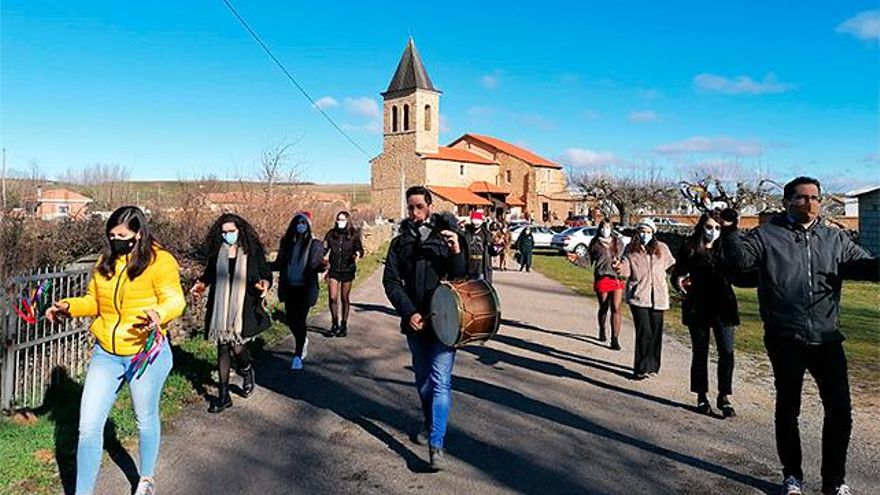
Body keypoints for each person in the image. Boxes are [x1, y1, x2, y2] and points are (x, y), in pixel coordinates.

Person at [720, 176, 879, 495]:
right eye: (803, 198)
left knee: (840, 411)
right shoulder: (766, 235)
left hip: (828, 337)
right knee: (788, 408)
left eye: (816, 198)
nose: (811, 203)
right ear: (787, 202)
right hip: (785, 336)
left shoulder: (835, 239)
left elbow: (867, 268)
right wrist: (729, 231)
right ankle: (792, 475)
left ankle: (834, 480)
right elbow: (739, 265)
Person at [44, 206, 185, 495]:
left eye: (123, 235)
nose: (116, 240)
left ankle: (145, 478)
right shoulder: (105, 261)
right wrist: (68, 307)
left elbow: (174, 299)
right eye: (112, 235)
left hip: (145, 353)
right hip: (106, 354)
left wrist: (159, 314)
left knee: (144, 418)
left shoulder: (161, 262)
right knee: (88, 427)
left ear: (138, 234)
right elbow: (93, 302)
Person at [382, 185, 466, 471]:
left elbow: (462, 279)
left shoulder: (448, 238)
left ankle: (436, 444)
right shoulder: (400, 242)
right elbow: (390, 282)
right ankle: (431, 424)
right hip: (415, 322)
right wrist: (408, 312)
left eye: (419, 206)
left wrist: (456, 250)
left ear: (430, 206)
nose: (415, 212)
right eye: (411, 207)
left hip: (446, 321)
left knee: (441, 379)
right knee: (423, 380)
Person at [190, 214, 272, 413]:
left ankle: (246, 371)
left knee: (237, 347)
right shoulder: (217, 252)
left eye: (231, 231)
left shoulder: (252, 251)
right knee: (223, 347)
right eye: (224, 232)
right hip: (220, 306)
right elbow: (209, 275)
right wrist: (200, 285)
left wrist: (264, 284)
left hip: (244, 305)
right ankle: (224, 396)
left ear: (240, 231)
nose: (227, 235)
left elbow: (265, 273)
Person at [672, 213, 738, 417]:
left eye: (717, 228)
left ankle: (724, 396)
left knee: (726, 352)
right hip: (698, 306)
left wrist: (730, 229)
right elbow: (677, 274)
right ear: (701, 227)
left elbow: (739, 266)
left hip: (723, 305)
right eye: (709, 227)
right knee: (700, 352)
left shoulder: (724, 248)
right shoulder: (690, 248)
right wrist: (680, 284)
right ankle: (701, 395)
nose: (713, 232)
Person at [613, 218, 675, 380]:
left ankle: (653, 365)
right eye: (642, 231)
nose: (645, 235)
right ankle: (640, 367)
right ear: (637, 233)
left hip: (659, 297)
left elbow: (671, 266)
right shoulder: (631, 250)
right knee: (644, 331)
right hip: (639, 296)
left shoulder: (662, 248)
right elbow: (625, 270)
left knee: (656, 332)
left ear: (653, 233)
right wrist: (618, 267)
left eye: (648, 232)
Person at [274, 211, 327, 371]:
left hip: (305, 289)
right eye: (298, 223)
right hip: (289, 288)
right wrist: (260, 266)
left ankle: (297, 355)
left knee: (300, 320)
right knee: (291, 320)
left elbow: (316, 263)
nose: (300, 226)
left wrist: (322, 266)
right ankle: (302, 340)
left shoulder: (315, 244)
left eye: (304, 223)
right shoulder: (287, 243)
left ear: (308, 226)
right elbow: (279, 264)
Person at [323, 211, 364, 337]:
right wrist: (321, 257)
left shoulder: (353, 235)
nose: (340, 222)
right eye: (338, 219)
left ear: (347, 221)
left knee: (344, 298)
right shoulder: (331, 234)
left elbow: (360, 250)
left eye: (342, 219)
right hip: (334, 269)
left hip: (348, 269)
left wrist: (356, 254)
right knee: (332, 297)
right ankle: (334, 324)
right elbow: (324, 248)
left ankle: (344, 325)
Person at [587, 219, 626, 350]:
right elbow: (588, 261)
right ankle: (602, 329)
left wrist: (620, 264)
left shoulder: (617, 242)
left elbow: (623, 258)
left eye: (608, 227)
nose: (606, 229)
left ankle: (615, 338)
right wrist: (576, 259)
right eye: (604, 227)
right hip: (602, 277)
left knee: (616, 307)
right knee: (604, 307)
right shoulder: (595, 243)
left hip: (616, 278)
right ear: (600, 228)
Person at [462, 210, 495, 282]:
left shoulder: (487, 235)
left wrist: (496, 246)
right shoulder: (465, 234)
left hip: (482, 269)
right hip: (468, 269)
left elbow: (493, 252)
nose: (475, 226)